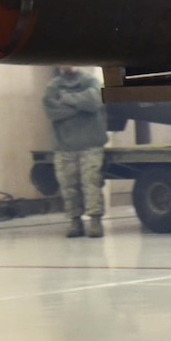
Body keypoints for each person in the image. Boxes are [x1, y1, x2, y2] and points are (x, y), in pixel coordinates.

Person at [42, 66, 108, 237]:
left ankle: (95, 221)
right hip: (65, 146)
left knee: (91, 183)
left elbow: (95, 101)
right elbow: (51, 110)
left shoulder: (90, 81)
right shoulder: (52, 86)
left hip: (90, 143)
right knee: (68, 186)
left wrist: (66, 98)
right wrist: (81, 106)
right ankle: (75, 221)